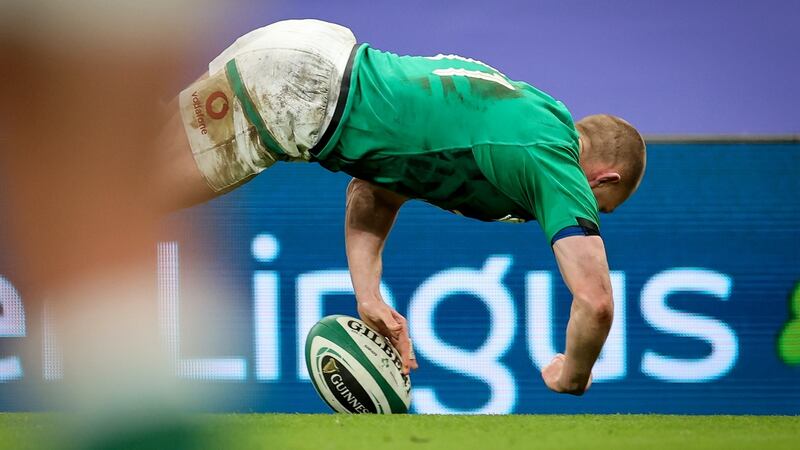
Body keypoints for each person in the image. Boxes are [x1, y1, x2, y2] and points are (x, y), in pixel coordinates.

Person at [156, 19, 646, 395]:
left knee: (123, 158)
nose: (585, 211)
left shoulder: (531, 110)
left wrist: (368, 296)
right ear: (605, 177)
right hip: (301, 97)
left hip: (305, 51)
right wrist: (572, 373)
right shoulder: (549, 156)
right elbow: (596, 299)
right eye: (599, 205)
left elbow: (372, 191)